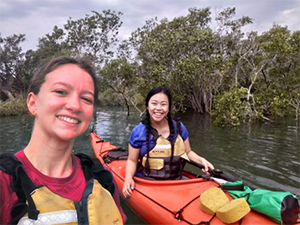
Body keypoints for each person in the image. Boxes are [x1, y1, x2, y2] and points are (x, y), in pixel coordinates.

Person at [0, 56, 125, 225]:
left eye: (87, 99)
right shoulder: (4, 183)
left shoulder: (102, 177)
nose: (75, 105)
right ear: (32, 103)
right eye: (60, 91)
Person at [123, 87, 214, 198]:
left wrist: (201, 160)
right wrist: (128, 178)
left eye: (163, 104)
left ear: (169, 107)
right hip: (148, 181)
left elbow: (188, 152)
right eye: (154, 103)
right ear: (147, 106)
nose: (158, 108)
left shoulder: (180, 128)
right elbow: (132, 160)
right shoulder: (138, 132)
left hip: (176, 179)